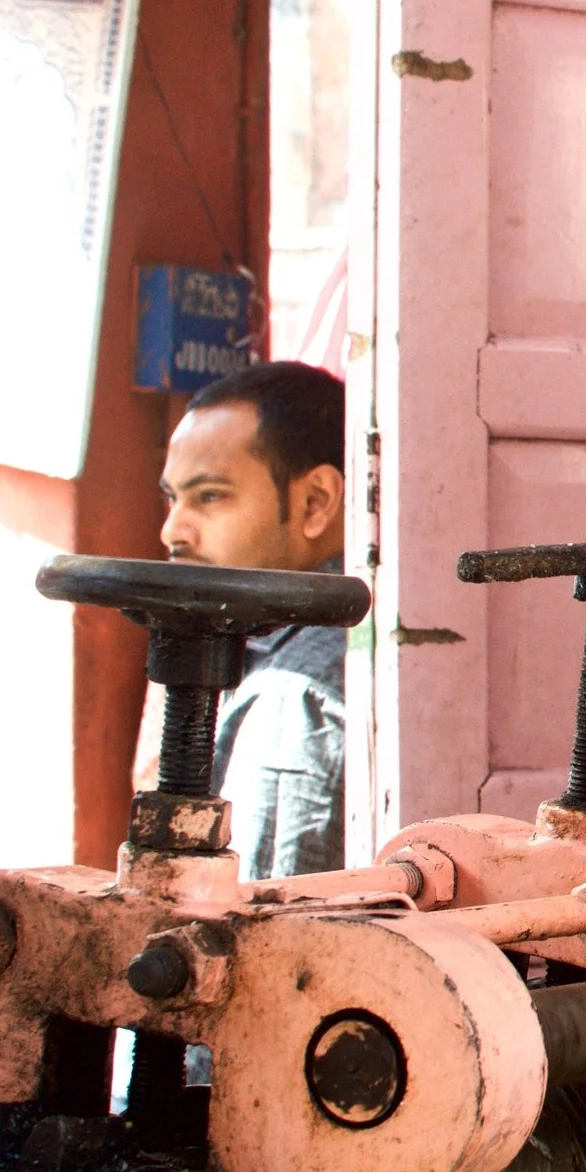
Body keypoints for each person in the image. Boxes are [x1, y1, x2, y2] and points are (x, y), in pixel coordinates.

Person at [151, 360, 348, 879]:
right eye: (173, 499)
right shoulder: (269, 649)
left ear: (315, 502)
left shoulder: (292, 700)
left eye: (210, 496)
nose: (173, 531)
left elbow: (263, 932)